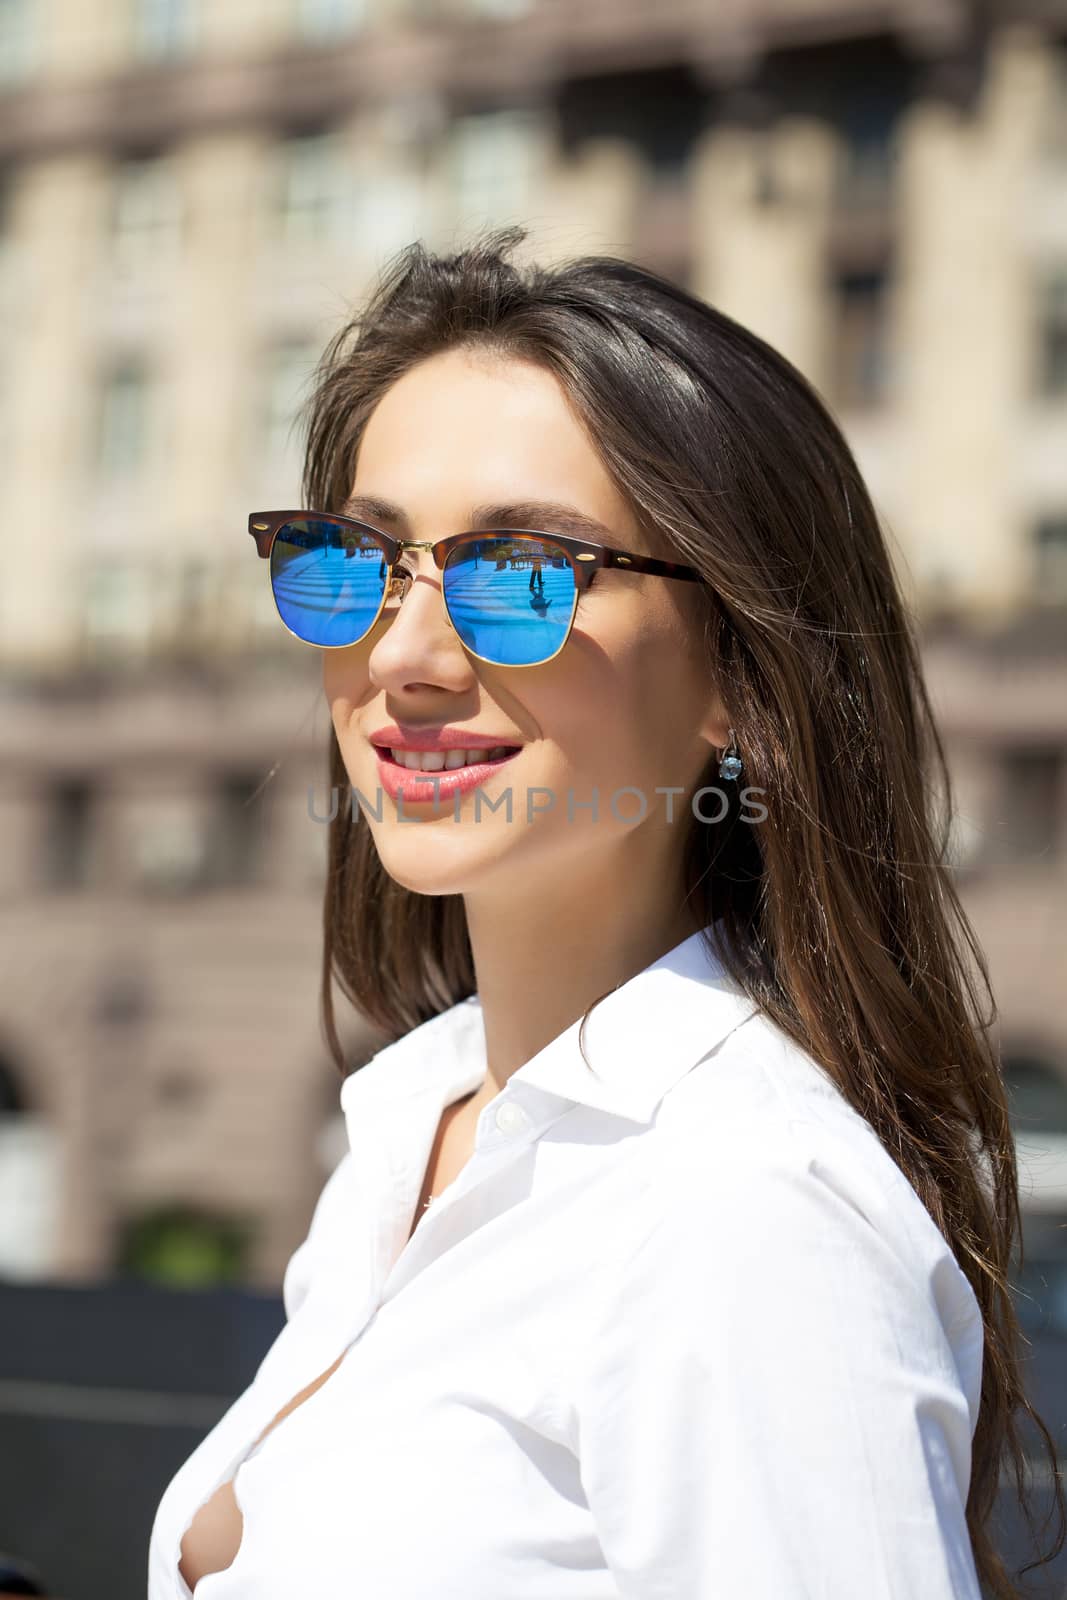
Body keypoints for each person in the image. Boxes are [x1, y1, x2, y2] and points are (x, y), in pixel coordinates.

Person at [148, 226, 1064, 1598]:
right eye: (359, 560)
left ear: (742, 681)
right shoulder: (421, 1126)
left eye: (523, 576)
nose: (405, 653)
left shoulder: (747, 1207)